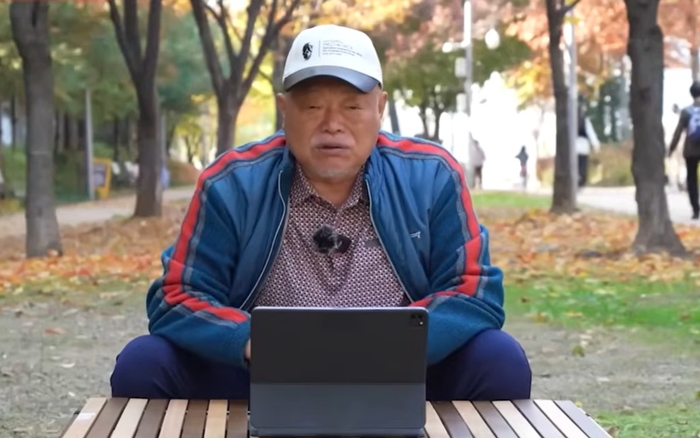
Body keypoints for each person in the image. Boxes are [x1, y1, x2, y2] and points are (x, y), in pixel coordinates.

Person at [109, 24, 531, 402]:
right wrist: (250, 341)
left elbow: (475, 290)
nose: (332, 124)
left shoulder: (432, 176)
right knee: (144, 363)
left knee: (499, 359)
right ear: (284, 110)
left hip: (399, 372)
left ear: (380, 108)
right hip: (263, 374)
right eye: (312, 107)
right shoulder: (232, 183)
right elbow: (176, 295)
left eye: (352, 106)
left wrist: (396, 348)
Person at [669, 80, 700, 219]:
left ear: (691, 94)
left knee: (691, 179)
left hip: (691, 150)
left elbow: (678, 133)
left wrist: (671, 149)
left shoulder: (686, 112)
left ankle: (695, 209)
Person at [575, 104, 600, 188]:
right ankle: (581, 180)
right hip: (583, 146)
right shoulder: (585, 121)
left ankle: (576, 179)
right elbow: (590, 133)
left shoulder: (571, 120)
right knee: (582, 165)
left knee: (575, 165)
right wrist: (595, 145)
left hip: (574, 147)